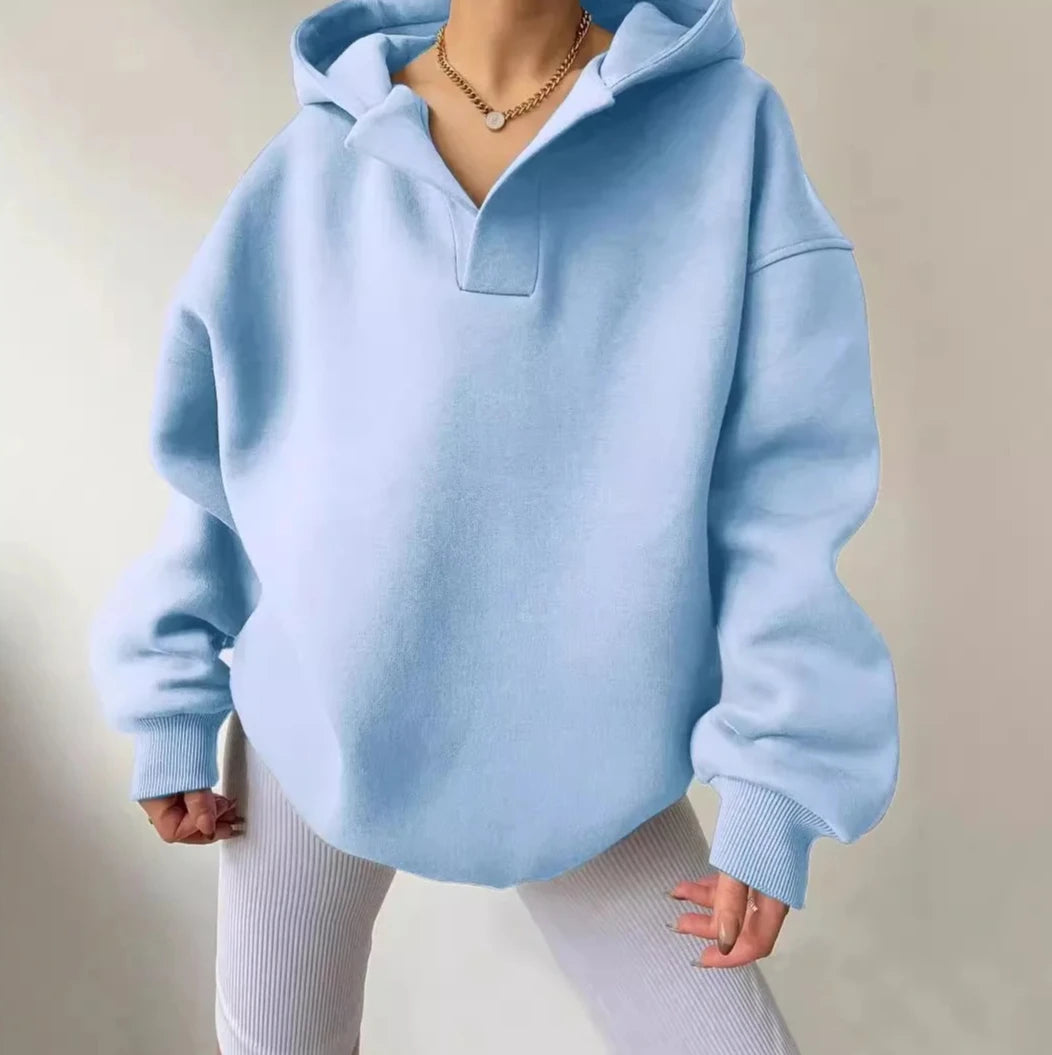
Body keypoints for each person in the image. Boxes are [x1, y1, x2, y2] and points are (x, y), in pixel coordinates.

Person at [88, 1, 899, 1052]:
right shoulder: (320, 154)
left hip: (594, 756)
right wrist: (172, 695)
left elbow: (786, 491)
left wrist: (774, 783)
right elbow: (223, 464)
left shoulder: (726, 137)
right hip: (313, 729)